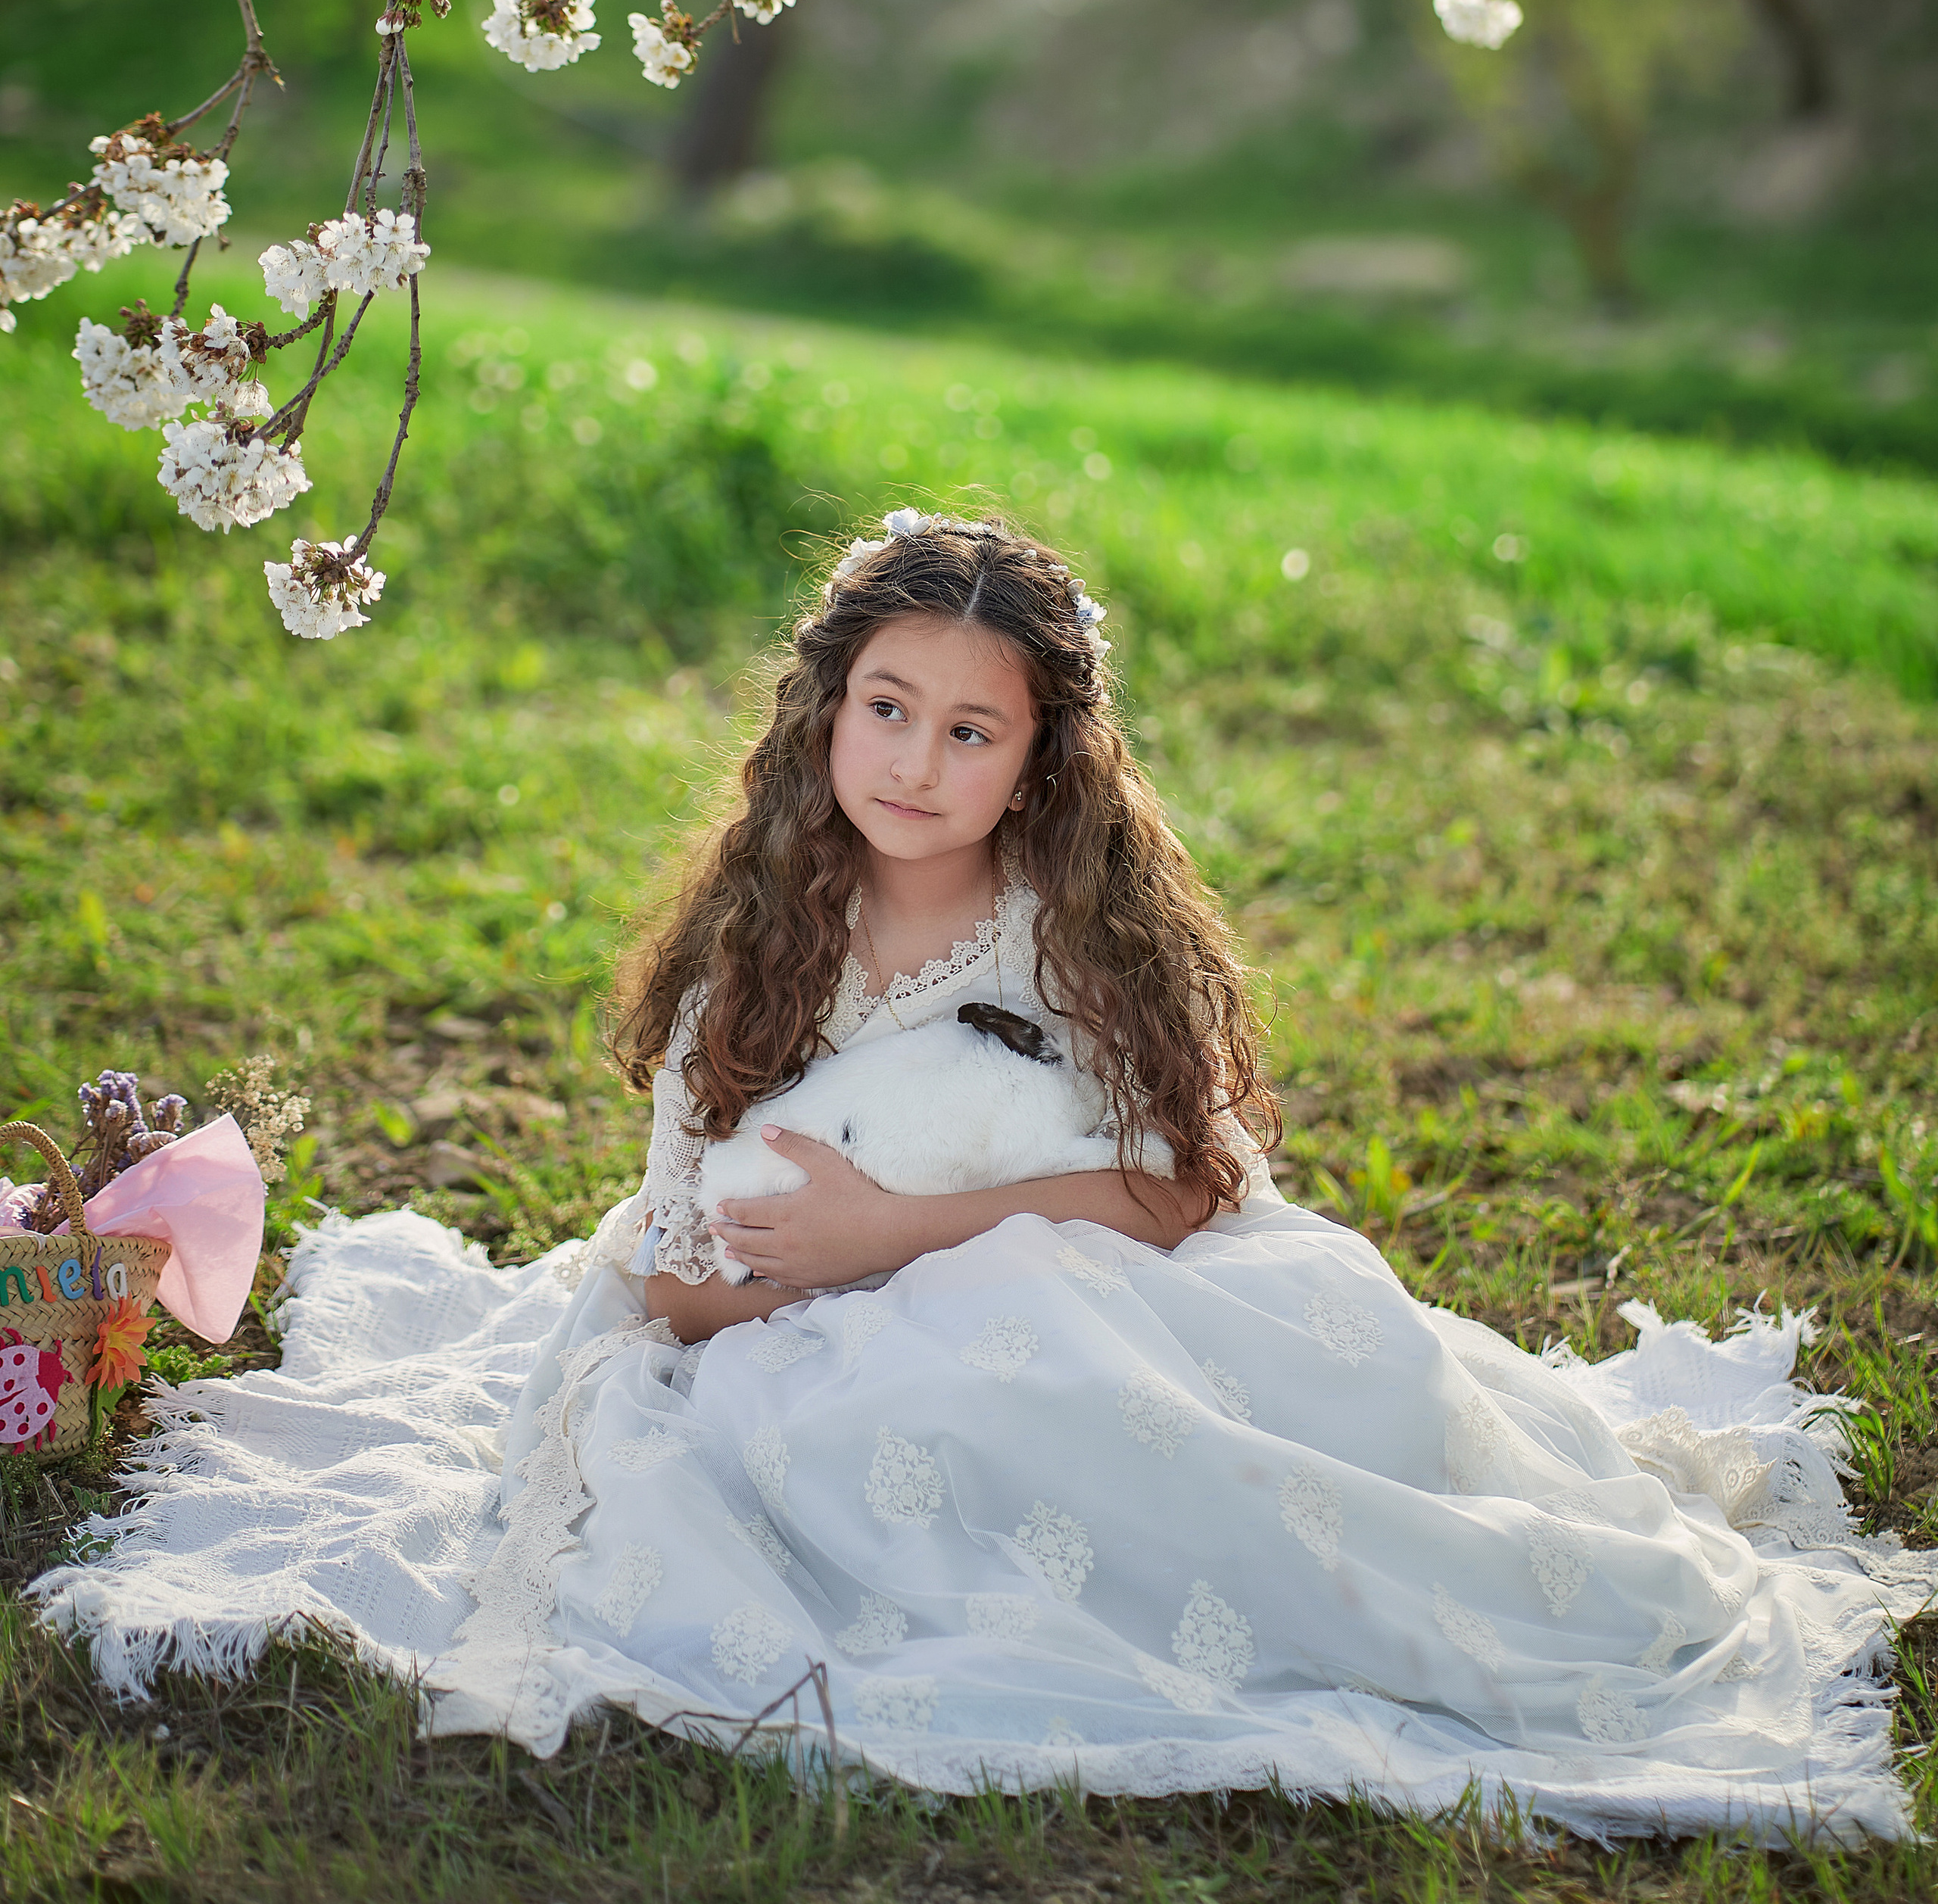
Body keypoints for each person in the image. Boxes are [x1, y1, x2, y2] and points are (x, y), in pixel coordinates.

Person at [35, 513, 1936, 1837]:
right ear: (825, 709)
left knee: (1086, 1330)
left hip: (1094, 1279)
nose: (917, 763)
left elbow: (1186, 1194)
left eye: (970, 731)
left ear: (1035, 762)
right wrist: (841, 1271)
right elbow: (678, 1275)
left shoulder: (1070, 937)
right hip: (789, 1321)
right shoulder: (756, 944)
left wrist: (912, 1229)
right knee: (922, 1378)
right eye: (886, 710)